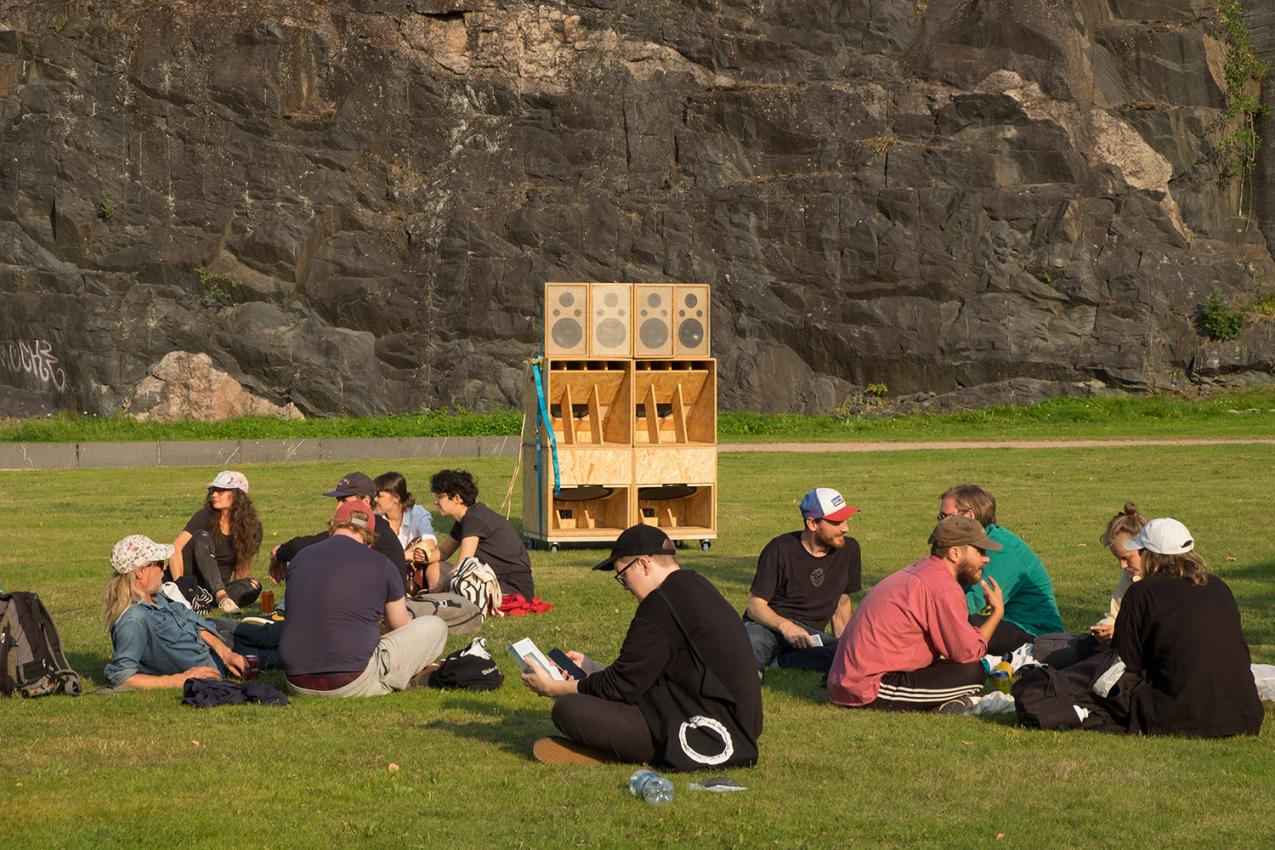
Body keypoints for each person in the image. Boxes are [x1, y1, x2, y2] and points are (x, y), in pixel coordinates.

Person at [521, 525, 762, 768]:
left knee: (568, 709)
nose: (626, 587)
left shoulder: (661, 603)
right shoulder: (696, 586)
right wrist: (594, 668)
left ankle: (642, 753)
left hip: (707, 729)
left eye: (623, 577)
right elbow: (644, 676)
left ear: (643, 565)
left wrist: (554, 687)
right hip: (740, 722)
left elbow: (622, 687)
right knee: (590, 701)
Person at [827, 515, 1004, 711]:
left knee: (957, 668)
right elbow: (967, 654)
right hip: (869, 687)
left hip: (849, 678)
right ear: (954, 553)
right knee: (973, 673)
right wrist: (996, 613)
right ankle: (945, 704)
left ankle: (943, 703)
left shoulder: (924, 571)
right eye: (980, 551)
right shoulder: (943, 587)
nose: (986, 559)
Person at [278, 500, 448, 698]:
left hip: (295, 682)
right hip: (352, 681)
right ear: (369, 537)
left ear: (333, 527)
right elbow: (399, 624)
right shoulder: (381, 563)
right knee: (435, 625)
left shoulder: (301, 557)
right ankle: (403, 676)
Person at [1113, 517, 1263, 737]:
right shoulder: (1219, 586)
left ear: (1150, 556)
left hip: (1175, 716)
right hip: (1244, 714)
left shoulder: (1142, 592)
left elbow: (1126, 661)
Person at [102, 534, 246, 689]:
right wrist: (180, 680)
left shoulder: (158, 596)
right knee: (270, 641)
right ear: (140, 572)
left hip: (222, 647)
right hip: (219, 660)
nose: (163, 569)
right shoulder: (134, 620)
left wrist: (225, 653)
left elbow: (192, 621)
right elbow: (122, 677)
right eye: (158, 563)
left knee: (261, 631)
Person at [742, 487, 862, 672]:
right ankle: (749, 677)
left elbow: (842, 602)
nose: (845, 528)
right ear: (812, 523)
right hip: (770, 625)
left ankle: (782, 662)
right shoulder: (779, 549)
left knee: (851, 655)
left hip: (811, 634)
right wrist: (786, 626)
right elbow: (755, 606)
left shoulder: (849, 550)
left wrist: (844, 644)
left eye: (845, 520)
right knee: (750, 643)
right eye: (837, 522)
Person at [939, 484, 1062, 653]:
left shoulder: (1001, 551)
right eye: (940, 516)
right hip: (1006, 623)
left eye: (946, 517)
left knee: (951, 622)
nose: (941, 523)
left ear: (969, 515)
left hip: (1033, 634)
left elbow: (972, 603)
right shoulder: (974, 543)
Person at [270, 471, 407, 588]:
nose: (338, 507)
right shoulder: (373, 524)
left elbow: (308, 545)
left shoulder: (365, 526)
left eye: (344, 500)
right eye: (338, 500)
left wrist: (280, 552)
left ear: (365, 500)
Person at [423, 469, 533, 599]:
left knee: (458, 580)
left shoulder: (473, 519)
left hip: (511, 585)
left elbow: (464, 562)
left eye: (439, 497)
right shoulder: (465, 519)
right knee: (436, 566)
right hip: (491, 580)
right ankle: (441, 600)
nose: (435, 502)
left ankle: (438, 600)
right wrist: (418, 556)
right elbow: (443, 552)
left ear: (457, 498)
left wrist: (437, 589)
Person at [169, 470, 262, 614]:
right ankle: (213, 597)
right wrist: (179, 587)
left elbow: (242, 568)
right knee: (202, 537)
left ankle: (204, 600)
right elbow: (176, 548)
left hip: (212, 588)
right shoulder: (204, 516)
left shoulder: (252, 527)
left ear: (238, 495)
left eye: (221, 491)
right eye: (213, 491)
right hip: (189, 583)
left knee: (253, 586)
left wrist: (241, 586)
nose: (214, 495)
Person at [374, 471, 437, 586]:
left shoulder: (418, 514)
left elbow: (430, 542)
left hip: (414, 572)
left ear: (396, 498)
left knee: (435, 563)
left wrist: (415, 552)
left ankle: (434, 597)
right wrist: (403, 556)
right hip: (385, 574)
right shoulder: (374, 518)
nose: (375, 500)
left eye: (379, 495)